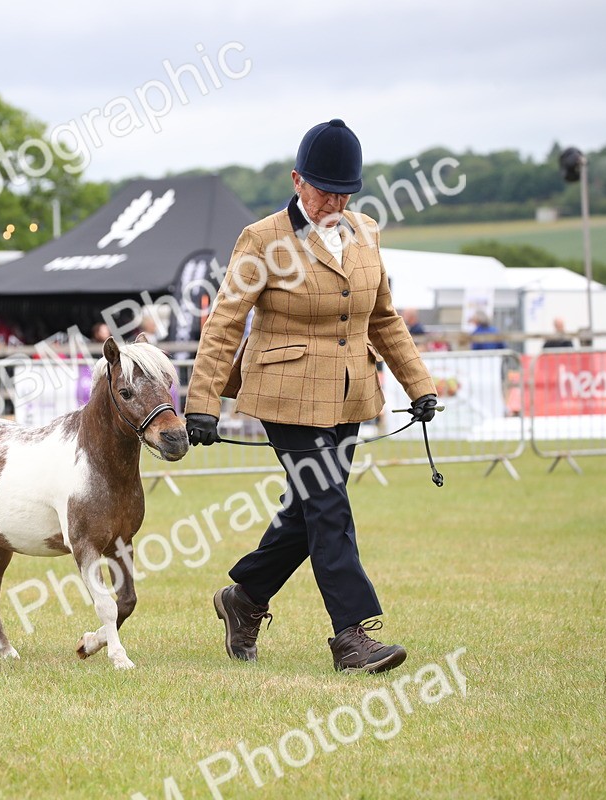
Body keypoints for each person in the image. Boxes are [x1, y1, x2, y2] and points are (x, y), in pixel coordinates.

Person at [184, 119, 438, 675]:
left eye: (346, 192)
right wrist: (203, 402)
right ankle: (352, 637)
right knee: (328, 506)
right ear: (298, 180)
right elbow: (224, 323)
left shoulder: (366, 231)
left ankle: (244, 599)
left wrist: (419, 385)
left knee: (307, 510)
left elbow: (384, 318)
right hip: (285, 394)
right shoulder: (262, 239)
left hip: (350, 395)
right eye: (325, 190)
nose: (336, 202)